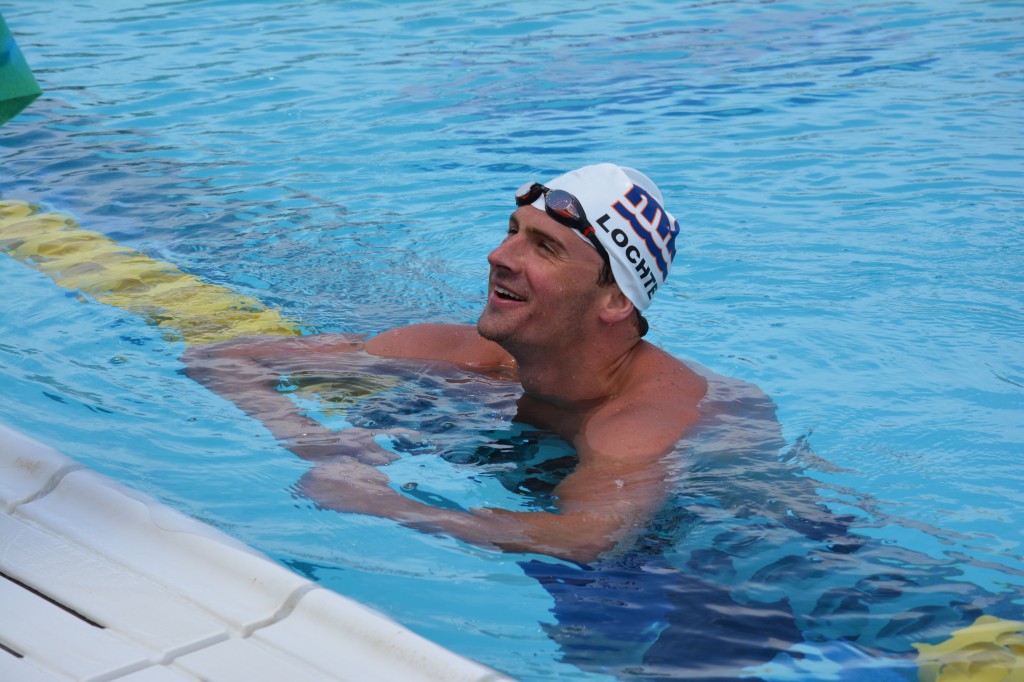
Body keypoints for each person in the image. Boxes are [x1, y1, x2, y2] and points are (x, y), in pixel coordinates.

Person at [182, 163, 712, 564]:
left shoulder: (640, 425)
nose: (499, 256)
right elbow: (223, 357)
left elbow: (584, 539)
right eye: (512, 231)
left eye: (544, 247)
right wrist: (309, 437)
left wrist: (387, 505)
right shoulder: (469, 355)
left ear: (616, 299)